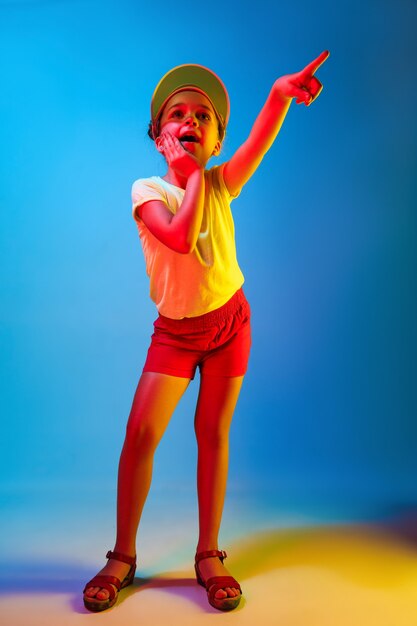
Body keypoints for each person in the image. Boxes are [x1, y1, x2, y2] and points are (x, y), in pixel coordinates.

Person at [82, 51, 330, 613]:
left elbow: (259, 143)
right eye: (177, 115)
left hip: (230, 322)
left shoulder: (220, 181)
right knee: (141, 435)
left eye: (203, 116)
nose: (190, 121)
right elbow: (180, 237)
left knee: (212, 434)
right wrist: (193, 178)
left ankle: (209, 554)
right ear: (157, 136)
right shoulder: (148, 191)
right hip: (175, 332)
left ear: (216, 141)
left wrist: (278, 92)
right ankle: (122, 554)